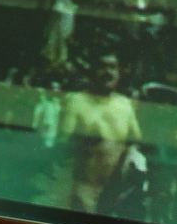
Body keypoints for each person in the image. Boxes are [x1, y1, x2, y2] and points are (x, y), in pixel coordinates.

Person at [58, 52, 141, 214]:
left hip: (115, 194)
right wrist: (84, 141)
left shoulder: (125, 104)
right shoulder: (76, 100)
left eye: (112, 67)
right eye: (102, 67)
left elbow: (136, 142)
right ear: (92, 71)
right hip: (85, 189)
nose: (107, 72)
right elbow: (63, 146)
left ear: (119, 73)